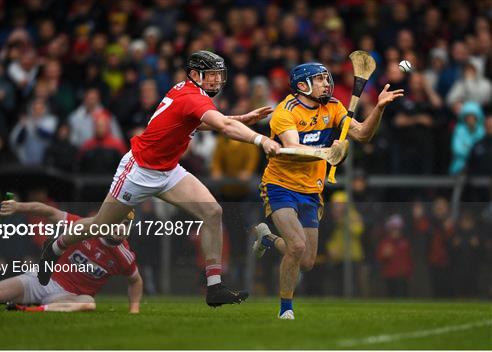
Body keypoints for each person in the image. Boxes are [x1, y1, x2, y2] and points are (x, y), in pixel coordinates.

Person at [38, 50, 281, 307]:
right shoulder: (192, 96)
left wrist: (236, 119)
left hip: (168, 170)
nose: (217, 81)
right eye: (211, 76)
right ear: (195, 75)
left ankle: (214, 287)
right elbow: (223, 127)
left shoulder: (188, 92)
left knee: (212, 212)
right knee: (101, 225)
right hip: (139, 171)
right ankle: (56, 245)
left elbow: (197, 122)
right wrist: (261, 139)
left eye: (218, 75)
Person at [251, 62, 404, 319]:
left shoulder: (333, 107)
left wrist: (379, 108)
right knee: (297, 246)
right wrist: (327, 153)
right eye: (320, 79)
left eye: (326, 78)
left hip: (312, 190)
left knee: (308, 261)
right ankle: (285, 309)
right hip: (280, 185)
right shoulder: (285, 112)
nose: (326, 83)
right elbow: (293, 149)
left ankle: (267, 239)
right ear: (302, 86)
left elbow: (364, 135)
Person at [0, 199, 143, 313]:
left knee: (89, 303)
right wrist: (18, 206)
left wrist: (134, 310)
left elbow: (135, 280)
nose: (121, 228)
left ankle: (29, 309)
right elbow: (47, 211)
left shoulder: (124, 255)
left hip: (66, 298)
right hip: (41, 280)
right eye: (118, 222)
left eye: (126, 224)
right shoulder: (83, 226)